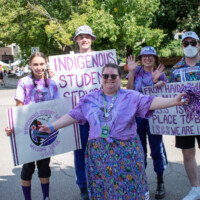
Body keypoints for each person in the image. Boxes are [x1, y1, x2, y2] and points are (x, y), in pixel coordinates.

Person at [39, 63, 186, 200]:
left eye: (113, 76)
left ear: (119, 78)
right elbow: (73, 115)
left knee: (130, 188)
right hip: (100, 154)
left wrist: (174, 101)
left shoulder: (131, 96)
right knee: (105, 188)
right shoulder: (89, 99)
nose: (109, 79)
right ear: (101, 78)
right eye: (106, 76)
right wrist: (52, 127)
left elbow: (151, 102)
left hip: (127, 152)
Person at [5, 52, 59, 200]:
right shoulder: (23, 82)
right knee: (27, 167)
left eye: (41, 64)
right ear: (30, 65)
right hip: (26, 130)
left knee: (44, 167)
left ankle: (45, 197)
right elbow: (19, 107)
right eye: (35, 64)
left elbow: (56, 108)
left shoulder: (52, 84)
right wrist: (12, 126)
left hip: (45, 130)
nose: (39, 67)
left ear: (46, 64)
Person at [126, 46, 167, 199]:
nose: (147, 59)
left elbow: (166, 97)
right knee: (140, 151)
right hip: (137, 117)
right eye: (144, 56)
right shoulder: (136, 72)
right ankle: (141, 183)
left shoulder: (161, 74)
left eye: (151, 56)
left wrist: (157, 82)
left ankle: (160, 181)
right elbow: (129, 91)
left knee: (156, 151)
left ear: (155, 58)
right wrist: (130, 72)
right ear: (141, 59)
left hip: (155, 118)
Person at [169, 31, 200, 200]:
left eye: (192, 42)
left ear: (198, 44)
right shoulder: (175, 70)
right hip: (184, 119)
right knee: (187, 153)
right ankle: (196, 189)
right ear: (182, 46)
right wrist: (161, 83)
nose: (189, 46)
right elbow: (170, 93)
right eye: (185, 43)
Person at [73, 25, 96, 200]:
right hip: (79, 115)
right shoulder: (68, 63)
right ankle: (83, 186)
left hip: (99, 114)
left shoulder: (101, 59)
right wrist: (54, 75)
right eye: (81, 37)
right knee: (80, 151)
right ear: (76, 41)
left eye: (87, 36)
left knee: (101, 149)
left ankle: (100, 182)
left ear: (92, 39)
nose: (84, 39)